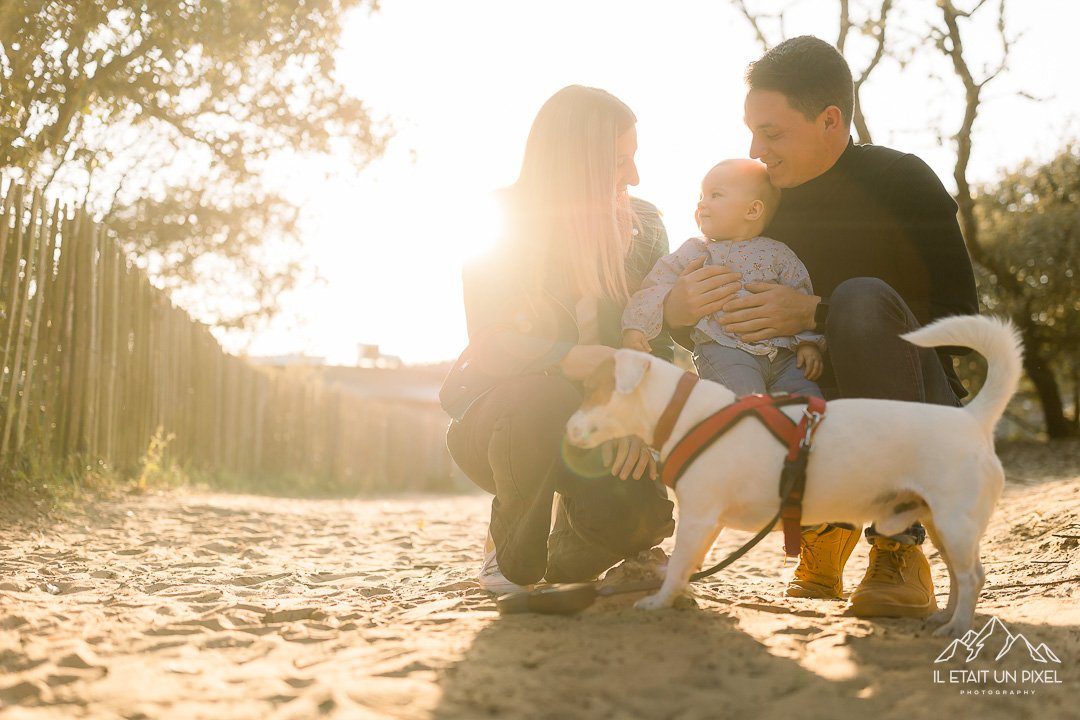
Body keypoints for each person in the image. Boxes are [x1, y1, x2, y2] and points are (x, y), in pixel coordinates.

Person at [663, 36, 979, 618]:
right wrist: (678, 313)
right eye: (752, 132)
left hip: (919, 415)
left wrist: (817, 313)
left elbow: (960, 325)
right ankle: (826, 533)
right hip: (812, 409)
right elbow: (729, 327)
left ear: (830, 120)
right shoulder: (762, 204)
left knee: (860, 297)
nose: (756, 150)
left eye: (772, 133)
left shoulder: (901, 179)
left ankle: (898, 549)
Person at [440, 85, 676, 594]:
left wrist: (635, 413)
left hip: (603, 420)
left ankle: (575, 541)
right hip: (509, 422)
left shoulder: (646, 226)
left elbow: (654, 344)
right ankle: (508, 548)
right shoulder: (501, 220)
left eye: (634, 157)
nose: (635, 176)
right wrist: (573, 360)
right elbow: (491, 344)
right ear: (577, 159)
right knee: (542, 396)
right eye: (619, 161)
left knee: (636, 520)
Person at [622, 158, 824, 398]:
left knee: (806, 401)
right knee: (743, 402)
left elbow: (800, 293)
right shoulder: (694, 251)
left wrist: (807, 342)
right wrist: (636, 327)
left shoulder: (779, 253)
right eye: (701, 196)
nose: (701, 203)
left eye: (715, 195)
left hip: (783, 354)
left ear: (752, 210)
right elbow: (655, 287)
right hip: (725, 349)